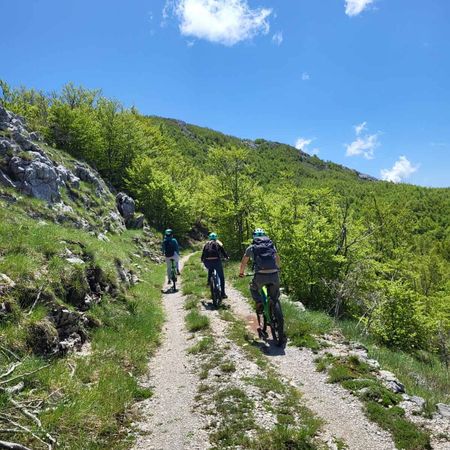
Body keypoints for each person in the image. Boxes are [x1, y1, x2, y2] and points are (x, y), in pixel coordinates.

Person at [239, 228, 281, 314]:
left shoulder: (251, 247)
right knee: (275, 296)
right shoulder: (271, 245)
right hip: (274, 274)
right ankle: (276, 313)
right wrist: (278, 268)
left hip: (260, 275)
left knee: (253, 288)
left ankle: (259, 302)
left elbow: (244, 262)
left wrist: (241, 273)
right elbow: (277, 258)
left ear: (254, 237)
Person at [201, 232, 229, 299]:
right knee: (221, 277)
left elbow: (203, 254)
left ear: (209, 238)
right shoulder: (218, 243)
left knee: (210, 268)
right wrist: (226, 257)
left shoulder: (206, 244)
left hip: (207, 262)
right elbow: (223, 252)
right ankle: (223, 293)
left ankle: (208, 282)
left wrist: (202, 260)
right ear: (216, 238)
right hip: (216, 261)